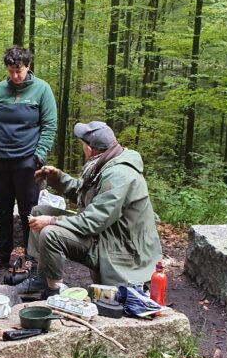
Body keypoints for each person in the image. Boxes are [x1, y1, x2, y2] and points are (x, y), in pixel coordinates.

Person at [19, 121, 162, 297]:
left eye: (83, 145)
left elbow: (93, 221)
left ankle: (52, 293)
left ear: (90, 149)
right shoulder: (108, 162)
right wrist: (59, 179)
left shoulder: (119, 175)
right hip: (107, 234)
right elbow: (90, 196)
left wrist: (51, 221)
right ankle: (41, 277)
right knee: (39, 211)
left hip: (121, 248)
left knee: (50, 233)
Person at [0, 46, 57, 272]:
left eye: (19, 71)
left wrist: (38, 155)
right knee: (2, 209)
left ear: (28, 66)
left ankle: (30, 255)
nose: (15, 76)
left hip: (28, 161)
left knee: (29, 210)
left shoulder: (42, 90)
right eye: (11, 71)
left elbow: (49, 125)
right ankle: (2, 254)